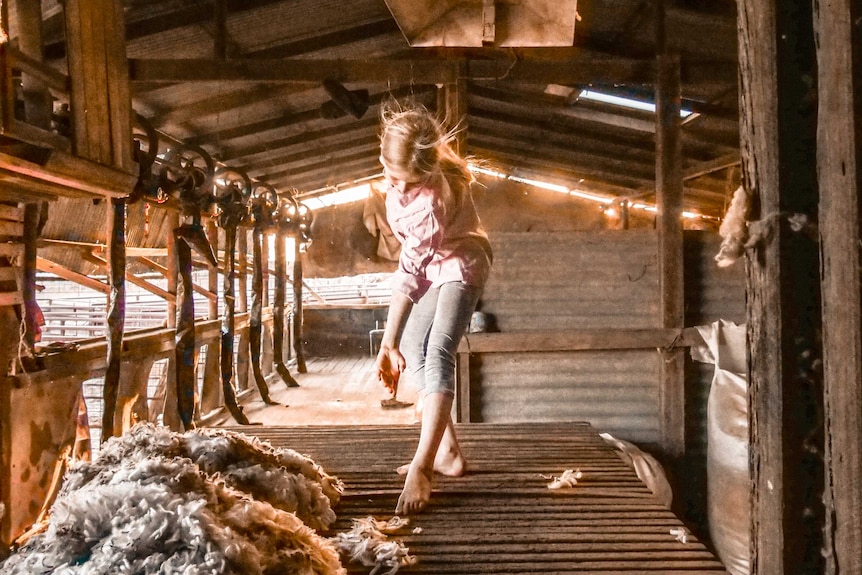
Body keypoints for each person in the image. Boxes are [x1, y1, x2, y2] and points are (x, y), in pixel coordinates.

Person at [373, 103, 493, 515]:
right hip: (434, 262)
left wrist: (384, 341)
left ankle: (422, 468)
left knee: (438, 350)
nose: (398, 189)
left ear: (426, 173)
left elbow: (410, 273)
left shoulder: (429, 205)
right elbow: (412, 263)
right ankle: (448, 454)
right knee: (413, 345)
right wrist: (393, 342)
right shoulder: (398, 181)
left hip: (462, 262)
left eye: (408, 183)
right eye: (392, 178)